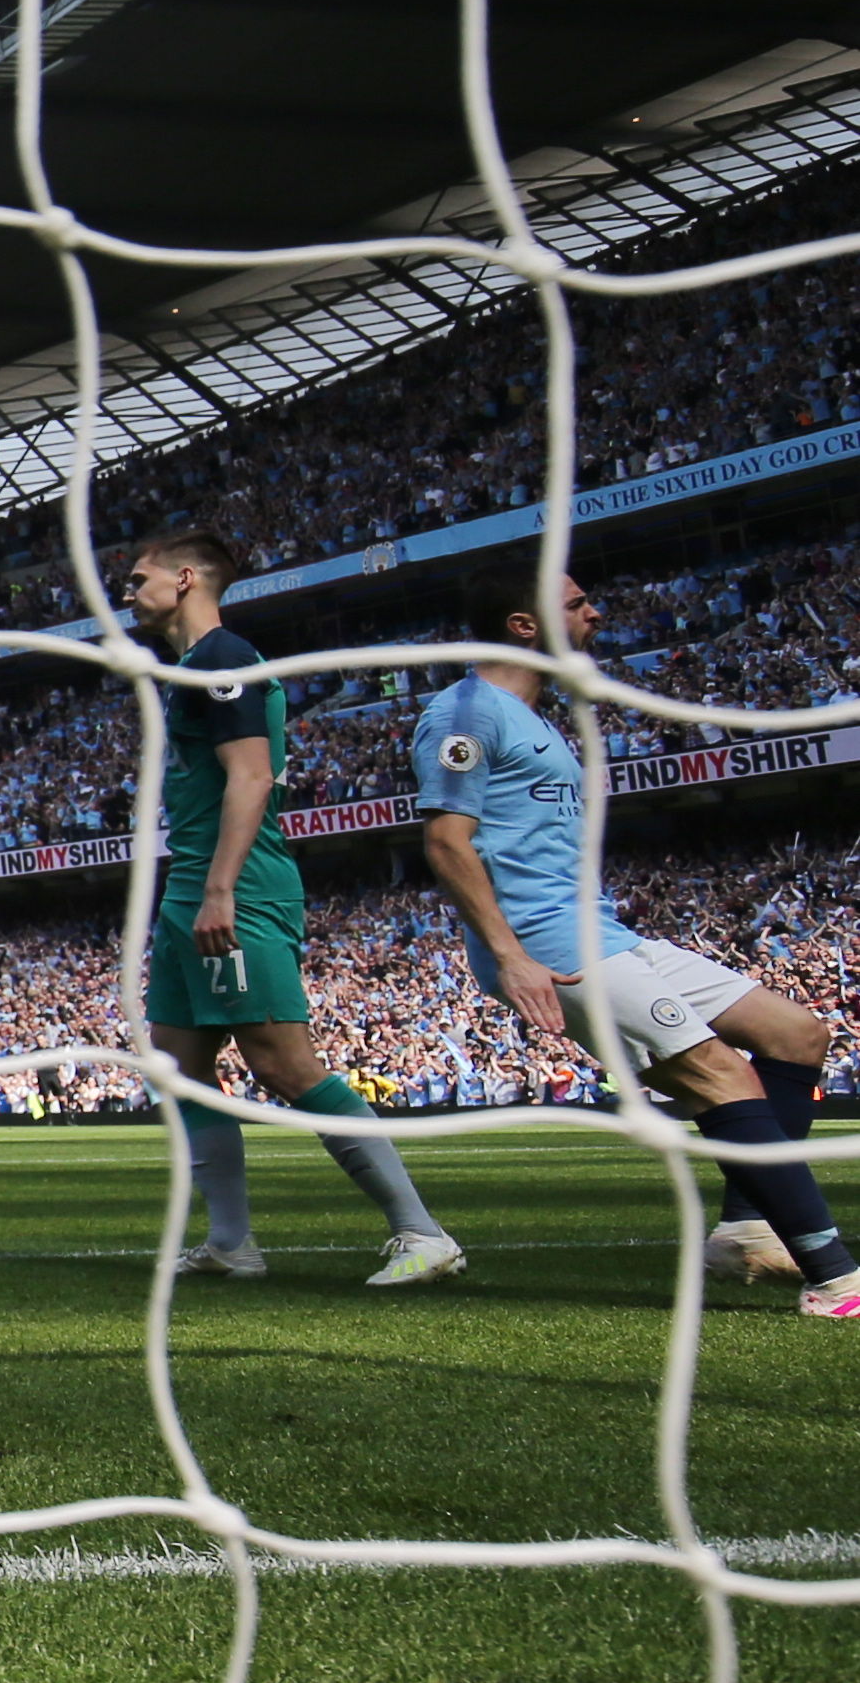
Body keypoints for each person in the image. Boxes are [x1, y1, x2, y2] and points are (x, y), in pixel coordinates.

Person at [416, 568, 855, 1318]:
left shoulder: (533, 715)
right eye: (577, 603)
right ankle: (835, 1279)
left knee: (796, 1035)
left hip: (604, 928)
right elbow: (445, 841)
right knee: (722, 1075)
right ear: (524, 625)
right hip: (552, 944)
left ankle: (747, 1231)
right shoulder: (464, 712)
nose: (594, 613)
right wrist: (511, 955)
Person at [121, 529, 461, 1287]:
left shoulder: (225, 659)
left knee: (282, 1062)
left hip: (234, 886)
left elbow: (251, 777)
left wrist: (220, 889)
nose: (129, 593)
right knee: (178, 1065)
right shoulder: (190, 667)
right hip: (189, 885)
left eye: (138, 578)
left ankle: (421, 1231)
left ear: (185, 579)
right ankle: (231, 1243)